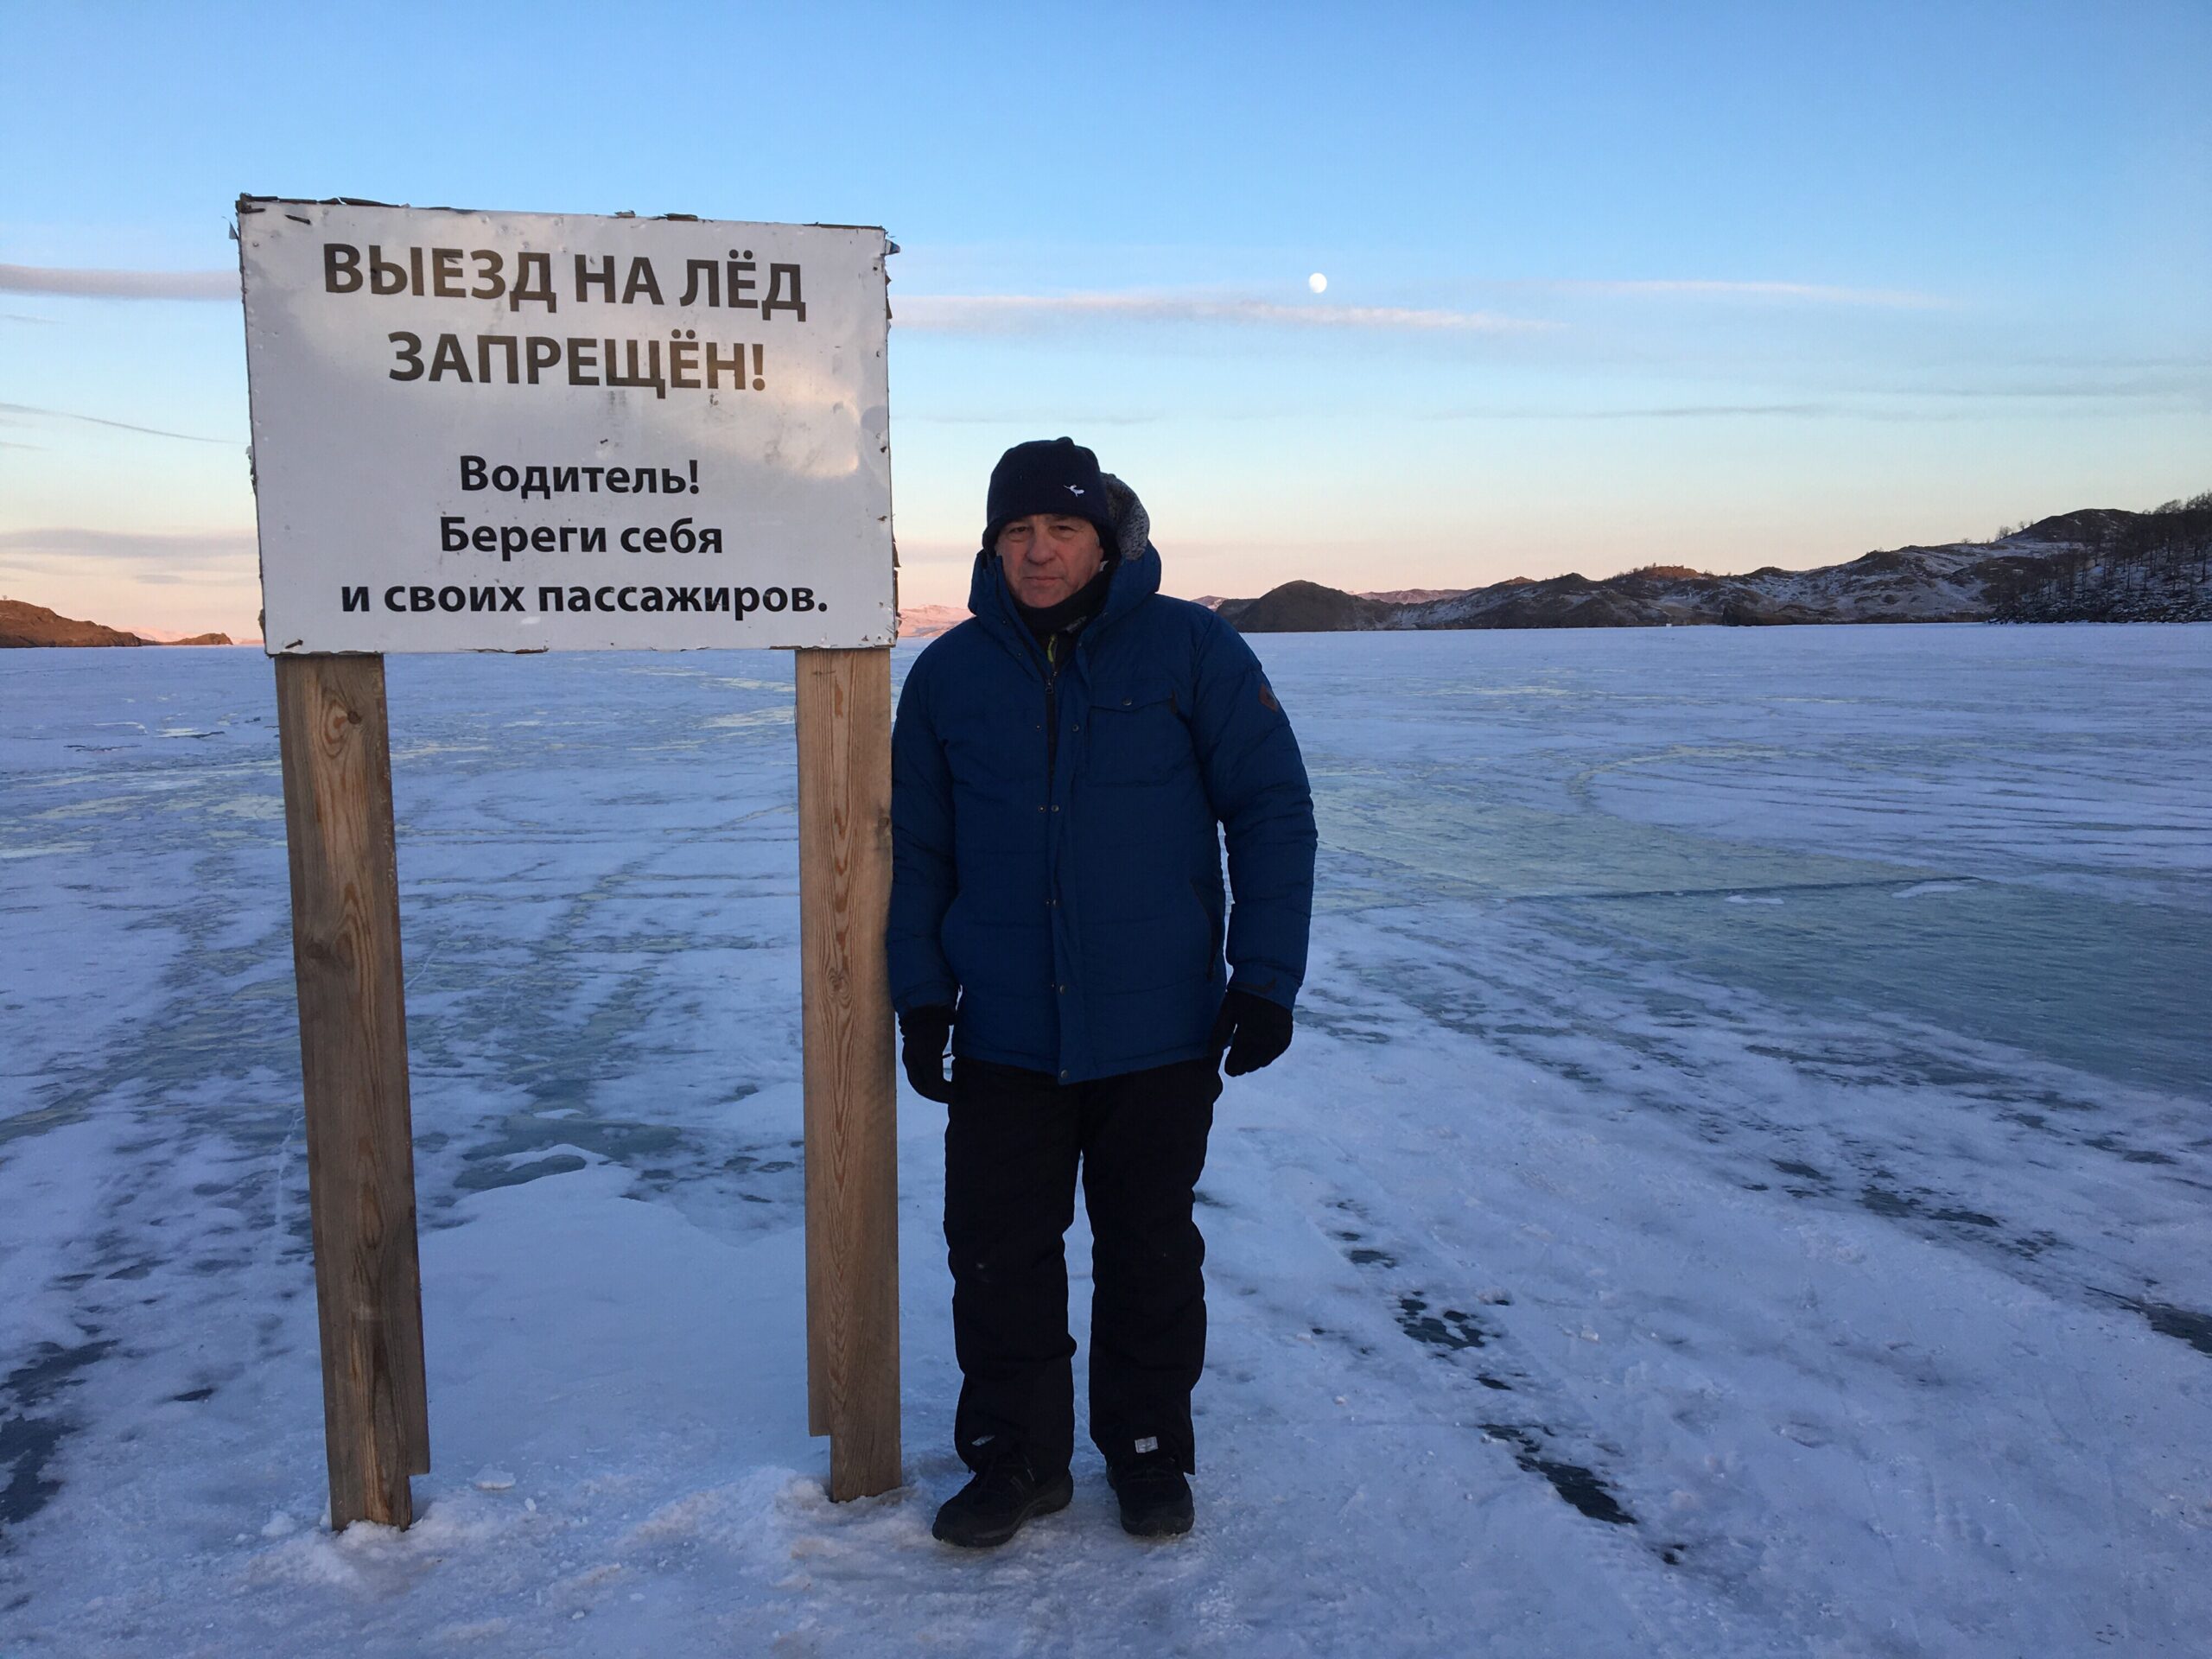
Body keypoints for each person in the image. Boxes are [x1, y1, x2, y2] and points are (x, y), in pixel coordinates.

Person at [887, 437, 1317, 1547]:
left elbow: (1270, 809)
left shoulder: (1191, 650)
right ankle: (1017, 1459)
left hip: (1157, 1025)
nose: (1038, 553)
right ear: (992, 544)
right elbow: (921, 852)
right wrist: (922, 994)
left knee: (1148, 1249)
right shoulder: (949, 672)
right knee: (997, 1255)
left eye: (1061, 530)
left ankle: (1144, 1450)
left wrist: (1263, 978)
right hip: (1006, 1032)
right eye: (1017, 532)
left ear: (1104, 539)